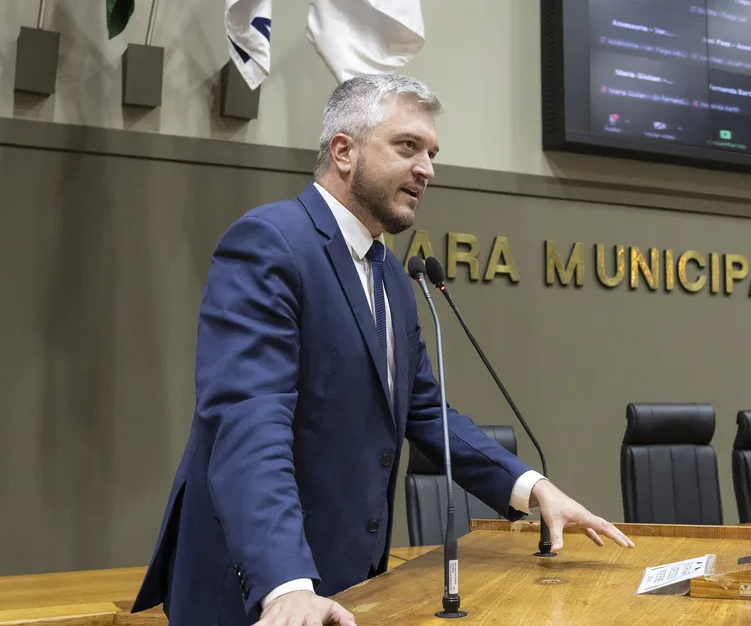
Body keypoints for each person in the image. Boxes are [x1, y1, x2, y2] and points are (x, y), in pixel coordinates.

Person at [131, 73, 633, 626]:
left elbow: (423, 409)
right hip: (258, 592)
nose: (428, 169)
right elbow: (248, 423)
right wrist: (284, 585)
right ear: (344, 151)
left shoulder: (392, 274)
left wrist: (533, 489)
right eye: (408, 147)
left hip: (350, 585)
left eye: (433, 152)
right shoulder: (270, 244)